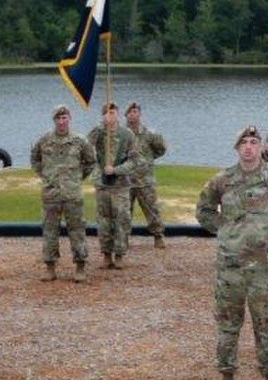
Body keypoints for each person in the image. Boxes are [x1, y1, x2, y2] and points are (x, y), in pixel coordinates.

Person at [195, 124, 268, 380]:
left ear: (260, 147)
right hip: (231, 267)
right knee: (228, 326)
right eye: (243, 142)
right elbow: (203, 209)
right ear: (236, 148)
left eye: (254, 142)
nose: (248, 147)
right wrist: (224, 229)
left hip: (264, 269)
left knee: (266, 324)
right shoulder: (222, 181)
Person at [30, 103, 95, 282]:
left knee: (77, 231)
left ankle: (80, 267)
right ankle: (50, 267)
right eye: (58, 118)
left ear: (69, 118)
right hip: (51, 194)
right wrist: (46, 176)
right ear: (54, 120)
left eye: (64, 118)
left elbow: (90, 162)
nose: (61, 122)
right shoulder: (44, 140)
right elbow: (35, 159)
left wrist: (76, 179)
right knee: (50, 231)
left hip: (72, 195)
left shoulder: (80, 141)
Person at [88, 101, 136, 268]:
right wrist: (102, 126)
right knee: (104, 221)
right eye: (107, 113)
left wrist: (116, 169)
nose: (111, 116)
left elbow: (134, 161)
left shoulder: (127, 135)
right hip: (102, 184)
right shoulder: (99, 133)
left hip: (120, 185)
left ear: (118, 114)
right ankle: (106, 254)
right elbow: (87, 145)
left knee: (122, 219)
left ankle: (120, 254)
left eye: (113, 113)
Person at [124, 102, 169, 249]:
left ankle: (158, 236)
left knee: (152, 209)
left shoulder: (150, 134)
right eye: (130, 112)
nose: (133, 114)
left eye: (136, 111)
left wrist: (147, 161)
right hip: (125, 180)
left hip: (145, 180)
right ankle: (123, 238)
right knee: (123, 211)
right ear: (125, 115)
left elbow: (161, 149)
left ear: (140, 114)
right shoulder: (120, 134)